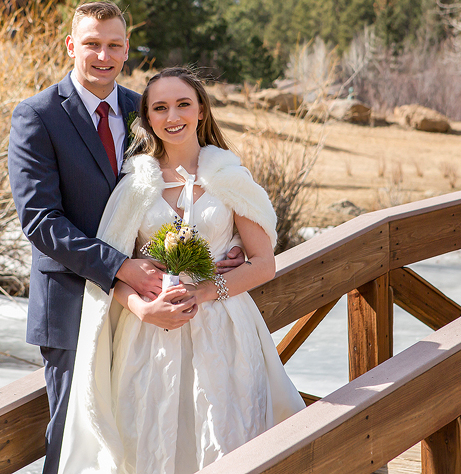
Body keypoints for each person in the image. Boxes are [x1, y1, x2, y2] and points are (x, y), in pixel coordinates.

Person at [8, 3, 243, 474]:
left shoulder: (145, 109)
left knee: (141, 435)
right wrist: (121, 267)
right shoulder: (37, 115)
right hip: (73, 303)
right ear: (71, 46)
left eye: (114, 45)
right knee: (78, 440)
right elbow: (40, 221)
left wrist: (225, 240)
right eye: (92, 43)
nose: (103, 55)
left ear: (127, 50)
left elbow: (183, 182)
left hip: (152, 303)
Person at [60, 67, 305, 474]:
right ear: (148, 119)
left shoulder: (230, 178)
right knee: (149, 439)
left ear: (202, 111)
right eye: (160, 108)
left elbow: (264, 264)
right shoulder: (134, 186)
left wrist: (207, 291)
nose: (173, 116)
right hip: (150, 336)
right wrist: (141, 308)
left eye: (183, 104)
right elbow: (109, 274)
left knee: (224, 436)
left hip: (224, 330)